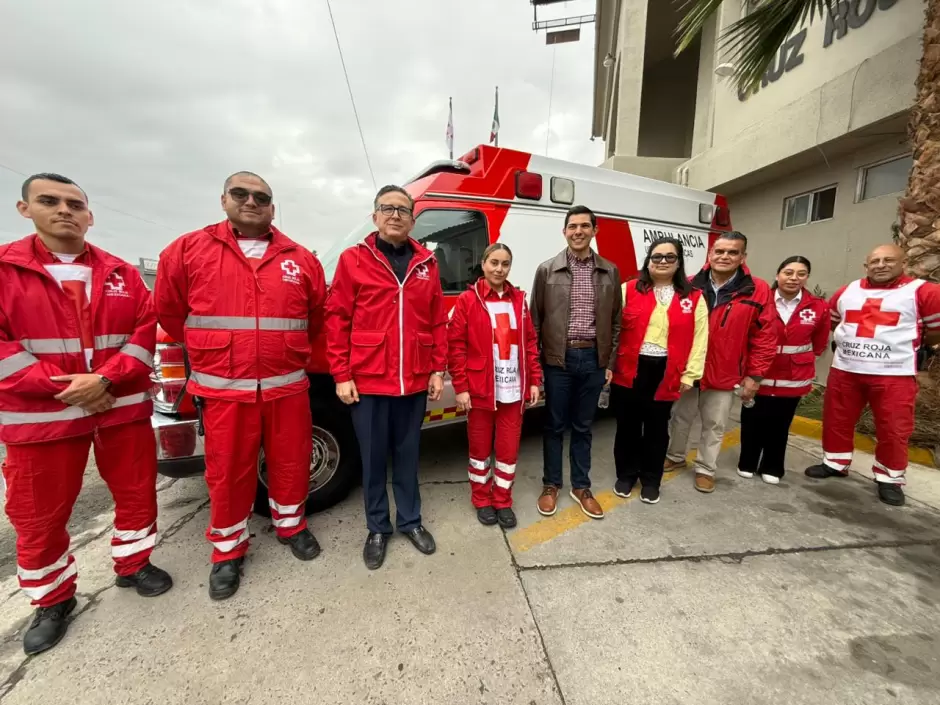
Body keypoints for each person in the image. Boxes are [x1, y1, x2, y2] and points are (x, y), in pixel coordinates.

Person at [0, 173, 172, 655]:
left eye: (75, 204)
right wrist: (68, 389)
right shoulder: (4, 270)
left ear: (89, 215)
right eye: (49, 201)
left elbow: (145, 332)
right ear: (24, 209)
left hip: (119, 408)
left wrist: (107, 381)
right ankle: (52, 600)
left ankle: (134, 565)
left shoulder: (120, 272)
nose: (64, 211)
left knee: (137, 493)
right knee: (38, 514)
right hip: (41, 419)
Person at [155, 172, 326, 600]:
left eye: (262, 197)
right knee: (227, 473)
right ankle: (228, 552)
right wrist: (218, 351)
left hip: (286, 389)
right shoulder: (187, 251)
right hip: (224, 391)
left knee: (291, 463)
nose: (251, 201)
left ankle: (291, 526)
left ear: (272, 206)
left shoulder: (300, 259)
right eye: (240, 194)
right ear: (223, 199)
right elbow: (170, 314)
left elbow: (316, 318)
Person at [325, 185, 448, 569]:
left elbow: (437, 321)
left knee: (408, 458)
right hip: (369, 383)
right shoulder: (353, 259)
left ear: (413, 219)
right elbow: (337, 319)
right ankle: (378, 527)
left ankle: (410, 521)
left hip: (412, 381)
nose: (395, 215)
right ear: (375, 216)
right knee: (374, 460)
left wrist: (436, 369)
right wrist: (342, 374)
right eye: (387, 208)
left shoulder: (428, 263)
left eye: (403, 210)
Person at [805, 244, 940, 506]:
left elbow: (935, 330)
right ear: (865, 266)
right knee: (837, 420)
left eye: (889, 260)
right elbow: (833, 322)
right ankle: (835, 462)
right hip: (847, 369)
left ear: (904, 263)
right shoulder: (847, 291)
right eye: (875, 261)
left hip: (894, 374)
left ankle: (889, 478)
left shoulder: (924, 291)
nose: (881, 265)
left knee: (893, 428)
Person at [664, 231, 777, 493]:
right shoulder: (690, 284)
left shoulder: (757, 290)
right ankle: (675, 456)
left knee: (714, 424)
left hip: (726, 372)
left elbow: (765, 336)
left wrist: (754, 376)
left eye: (732, 252)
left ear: (743, 257)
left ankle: (705, 468)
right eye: (720, 251)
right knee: (680, 417)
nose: (725, 256)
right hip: (690, 370)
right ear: (710, 254)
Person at [530, 205, 622, 519]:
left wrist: (608, 360)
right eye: (572, 226)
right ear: (565, 231)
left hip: (593, 361)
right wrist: (538, 365)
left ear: (594, 230)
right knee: (554, 426)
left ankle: (581, 486)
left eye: (584, 226)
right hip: (559, 359)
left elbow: (616, 322)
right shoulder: (546, 270)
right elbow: (536, 321)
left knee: (583, 428)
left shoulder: (610, 271)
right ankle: (551, 484)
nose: (578, 231)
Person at [447, 243, 542, 528]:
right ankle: (481, 499)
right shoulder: (467, 299)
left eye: (505, 264)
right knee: (479, 451)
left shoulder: (519, 300)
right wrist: (461, 387)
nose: (499, 269)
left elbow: (530, 343)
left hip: (513, 388)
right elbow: (456, 346)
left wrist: (535, 379)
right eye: (494, 263)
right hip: (480, 389)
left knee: (508, 450)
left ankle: (502, 500)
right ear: (484, 264)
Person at [610, 238, 708, 504]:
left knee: (656, 428)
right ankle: (627, 474)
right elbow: (611, 328)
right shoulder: (628, 289)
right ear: (648, 261)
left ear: (678, 262)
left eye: (669, 257)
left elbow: (701, 338)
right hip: (629, 368)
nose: (662, 261)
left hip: (666, 371)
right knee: (627, 427)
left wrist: (690, 374)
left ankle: (651, 480)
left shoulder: (694, 297)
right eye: (657, 257)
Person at [738, 256, 829, 485]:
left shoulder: (817, 307)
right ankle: (747, 462)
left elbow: (819, 344)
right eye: (788, 272)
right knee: (752, 420)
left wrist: (800, 359)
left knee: (780, 424)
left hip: (793, 378)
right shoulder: (761, 300)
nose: (793, 278)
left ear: (807, 278)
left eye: (801, 274)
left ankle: (772, 466)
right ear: (778, 275)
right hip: (760, 373)